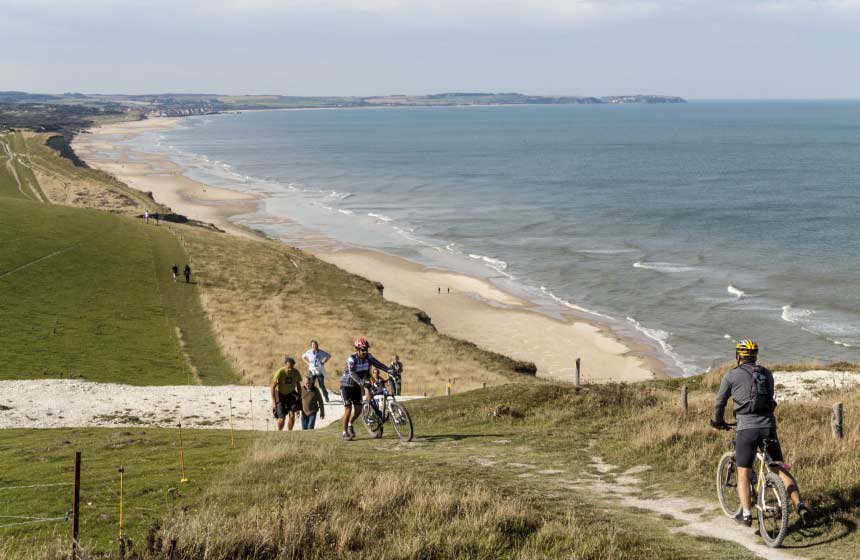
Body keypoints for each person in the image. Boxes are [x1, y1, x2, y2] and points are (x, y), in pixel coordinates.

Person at [711, 340, 812, 527]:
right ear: (755, 356)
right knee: (779, 468)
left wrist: (717, 421)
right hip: (768, 426)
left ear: (738, 356)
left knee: (743, 473)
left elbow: (720, 402)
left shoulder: (731, 375)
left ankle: (747, 515)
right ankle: (800, 505)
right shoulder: (766, 373)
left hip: (746, 428)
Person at [339, 337, 393, 441]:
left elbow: (378, 364)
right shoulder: (352, 358)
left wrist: (388, 370)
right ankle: (344, 432)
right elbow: (352, 373)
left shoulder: (368, 357)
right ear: (357, 350)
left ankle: (350, 424)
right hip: (346, 386)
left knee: (358, 411)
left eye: (366, 349)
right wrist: (361, 382)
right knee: (348, 408)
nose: (365, 352)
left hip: (357, 386)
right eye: (363, 350)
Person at [271, 356, 302, 431]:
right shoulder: (280, 372)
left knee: (292, 415)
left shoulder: (296, 372)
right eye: (288, 367)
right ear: (285, 365)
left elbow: (298, 385)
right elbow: (272, 387)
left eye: (292, 367)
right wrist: (273, 402)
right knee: (282, 418)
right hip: (280, 396)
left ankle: (289, 432)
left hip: (291, 395)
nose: (290, 369)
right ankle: (280, 432)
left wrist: (299, 397)